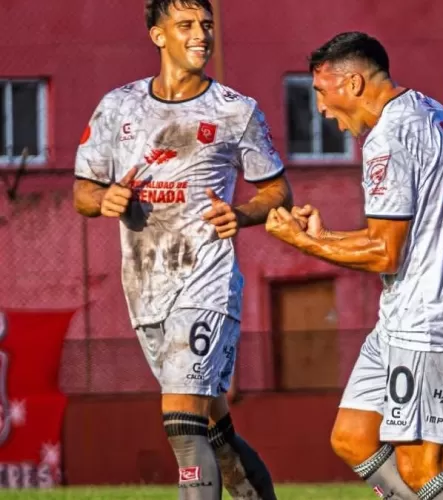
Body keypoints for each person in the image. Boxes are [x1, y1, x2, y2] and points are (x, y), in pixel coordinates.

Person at [72, 1, 289, 498]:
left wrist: (243, 213)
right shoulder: (118, 106)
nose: (201, 35)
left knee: (182, 427)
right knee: (215, 432)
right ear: (157, 35)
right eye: (186, 25)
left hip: (206, 282)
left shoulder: (236, 110)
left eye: (207, 25)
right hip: (146, 286)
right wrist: (104, 199)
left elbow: (278, 191)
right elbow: (83, 192)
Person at [265, 31, 443, 500]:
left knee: (421, 467)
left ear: (354, 83)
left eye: (321, 92)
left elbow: (385, 253)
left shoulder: (388, 137)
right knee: (354, 436)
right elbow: (403, 235)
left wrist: (300, 244)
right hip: (409, 311)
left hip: (431, 316)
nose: (321, 108)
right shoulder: (434, 112)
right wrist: (322, 238)